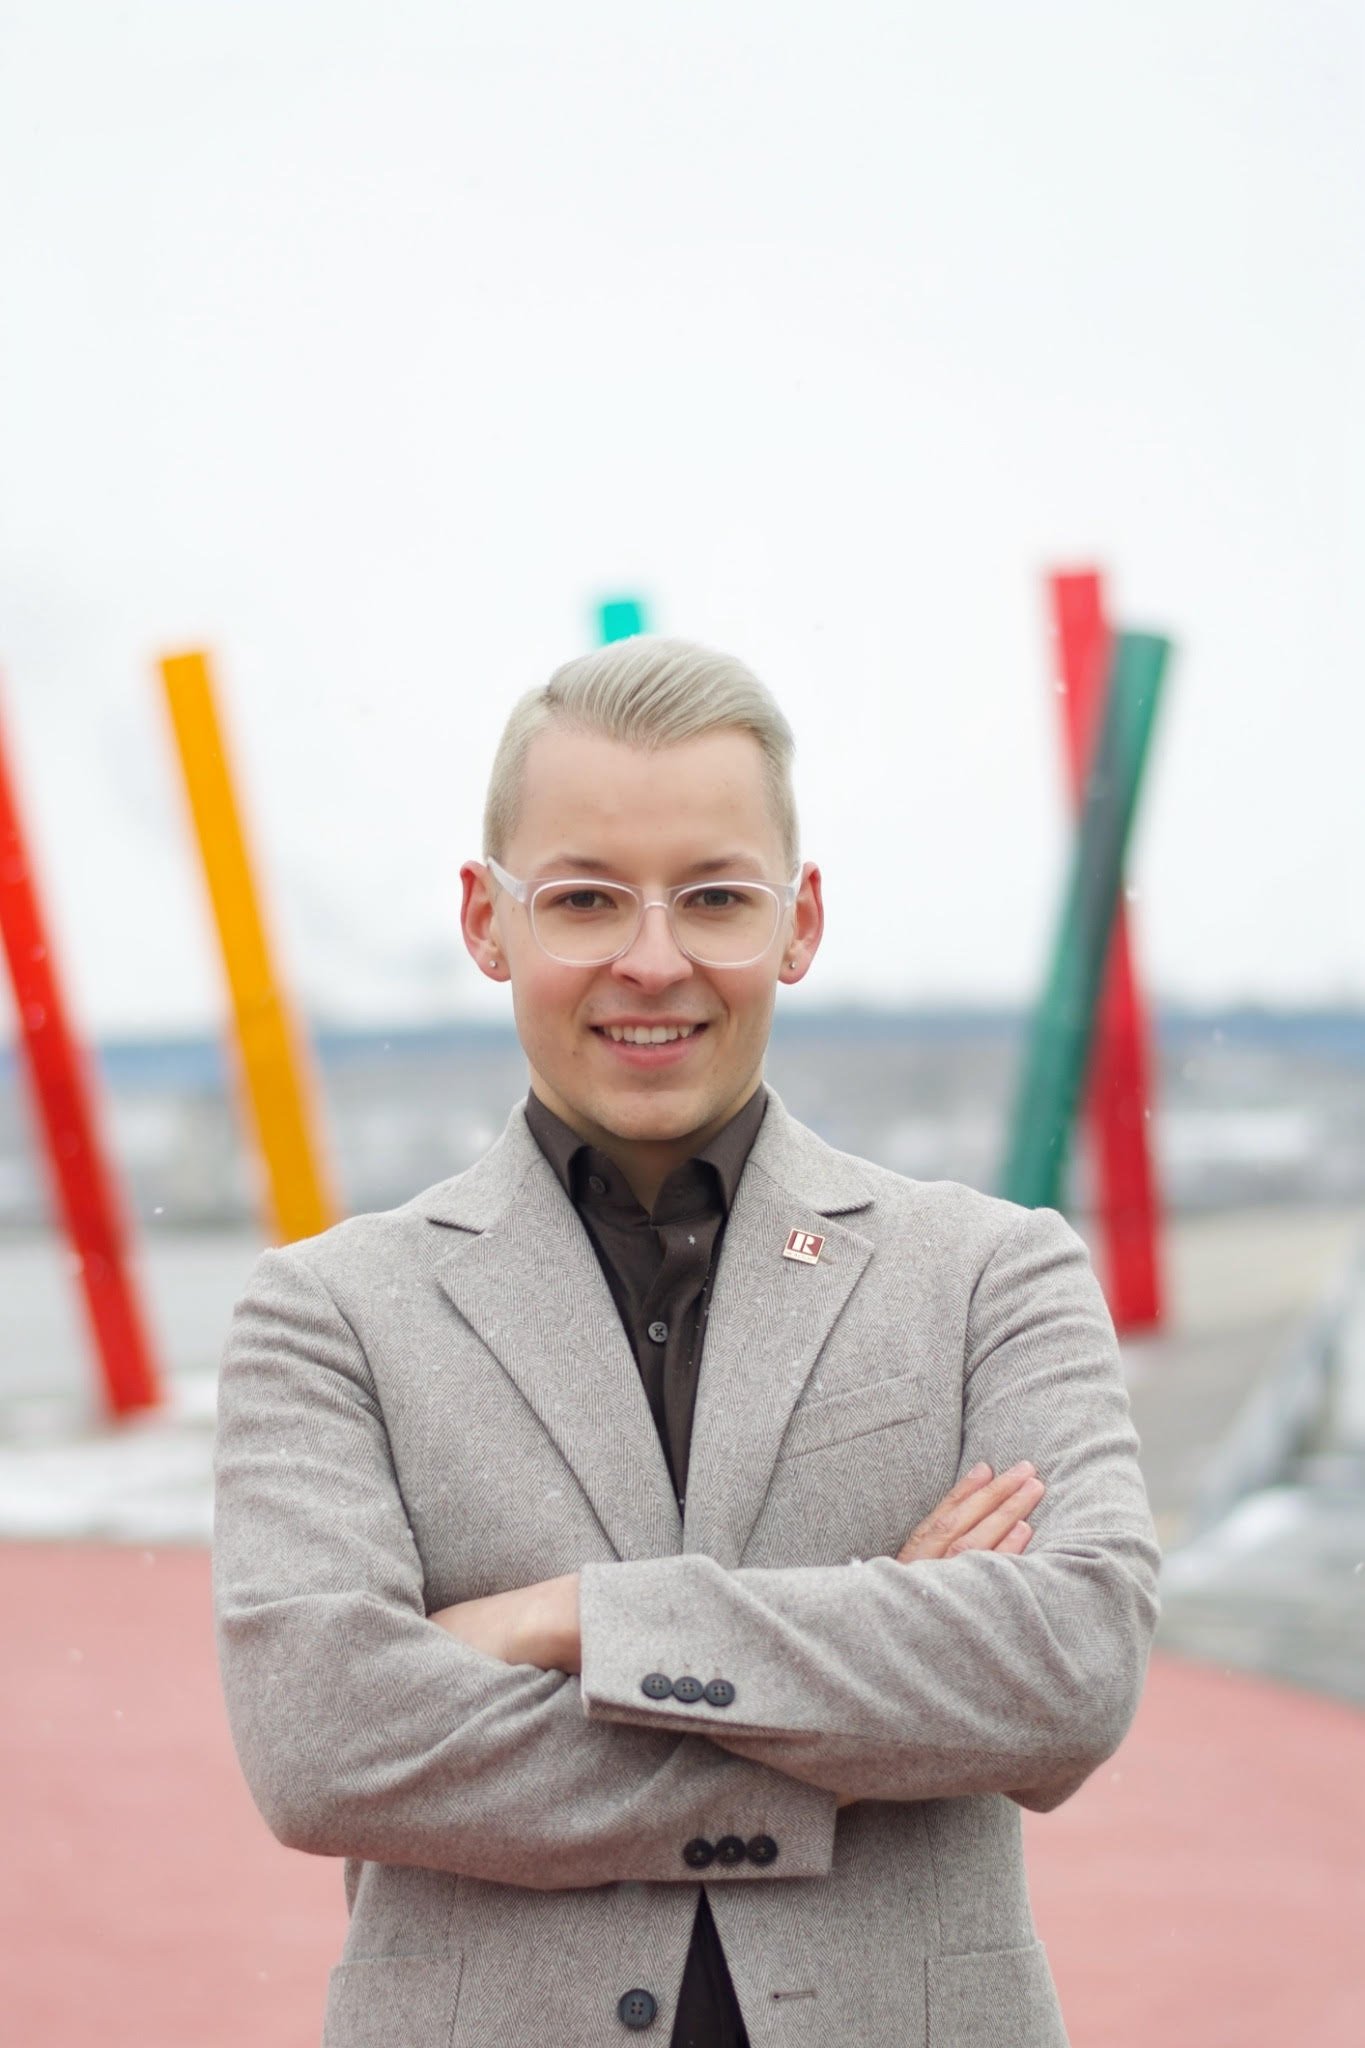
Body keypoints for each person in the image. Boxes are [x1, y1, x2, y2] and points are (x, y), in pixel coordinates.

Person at [212, 635, 1160, 2048]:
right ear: (487, 922)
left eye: (713, 898)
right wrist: (874, 1683)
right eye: (584, 900)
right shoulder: (327, 1314)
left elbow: (1066, 1672)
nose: (651, 964)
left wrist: (571, 1618)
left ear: (799, 919)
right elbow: (329, 1748)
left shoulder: (991, 1273)